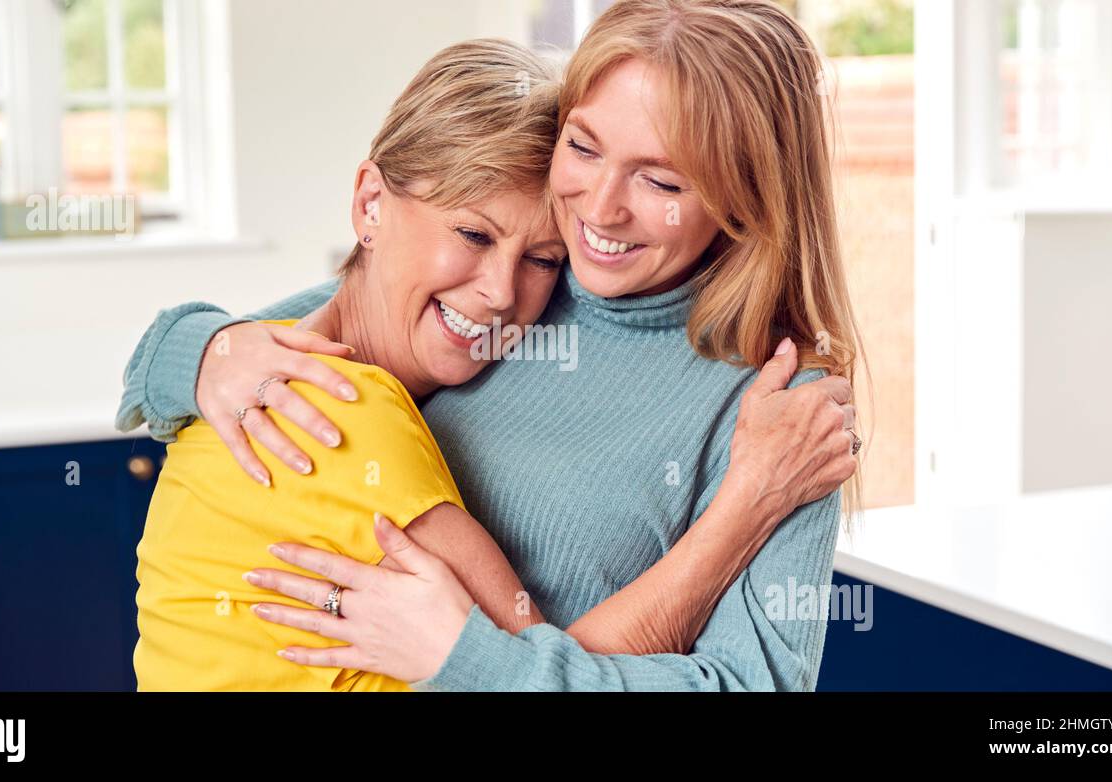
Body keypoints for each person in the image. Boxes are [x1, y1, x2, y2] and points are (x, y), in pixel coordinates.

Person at [121, 0, 863, 692]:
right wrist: (203, 350)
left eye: (660, 181)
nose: (600, 207)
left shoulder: (782, 419)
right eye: (583, 146)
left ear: (744, 199)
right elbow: (255, 348)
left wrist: (468, 658)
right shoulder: (525, 278)